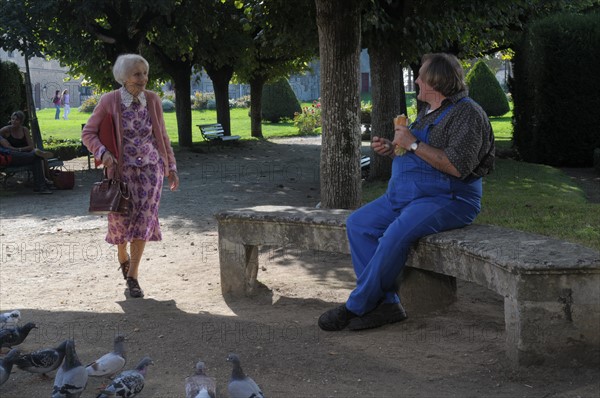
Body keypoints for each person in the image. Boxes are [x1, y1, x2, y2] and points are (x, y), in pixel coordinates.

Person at [318, 53, 495, 331]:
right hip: (405, 196)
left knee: (394, 235)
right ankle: (388, 304)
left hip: (449, 198)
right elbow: (418, 154)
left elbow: (457, 167)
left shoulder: (467, 114)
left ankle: (356, 305)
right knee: (358, 224)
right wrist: (393, 149)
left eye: (422, 75)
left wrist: (412, 144)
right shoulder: (426, 111)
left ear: (436, 82)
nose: (417, 80)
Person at [82, 53, 180, 298]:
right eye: (137, 74)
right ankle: (122, 255)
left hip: (150, 171)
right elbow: (88, 133)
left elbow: (163, 137)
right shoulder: (109, 101)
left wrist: (171, 167)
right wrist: (103, 153)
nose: (143, 78)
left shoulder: (154, 100)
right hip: (120, 173)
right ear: (124, 77)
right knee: (121, 224)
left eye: (145, 73)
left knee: (144, 222)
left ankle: (133, 277)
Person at [0, 110, 55, 194]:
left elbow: (31, 146)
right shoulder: (6, 130)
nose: (13, 121)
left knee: (37, 158)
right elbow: (9, 148)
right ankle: (41, 185)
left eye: (16, 120)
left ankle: (41, 186)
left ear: (21, 121)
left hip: (23, 155)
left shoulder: (24, 130)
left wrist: (20, 149)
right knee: (37, 156)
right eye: (12, 119)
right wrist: (2, 140)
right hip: (11, 156)